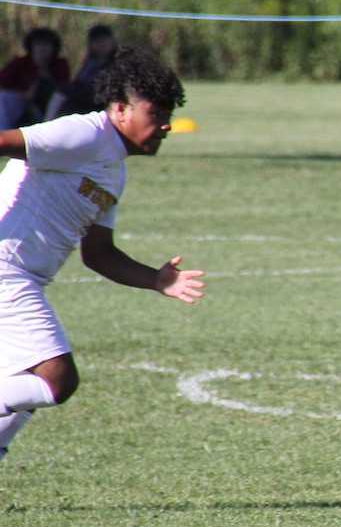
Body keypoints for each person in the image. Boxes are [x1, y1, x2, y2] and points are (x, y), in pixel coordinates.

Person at [0, 44, 205, 462]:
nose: (165, 126)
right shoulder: (85, 134)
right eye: (157, 115)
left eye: (168, 116)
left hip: (23, 276)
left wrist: (156, 279)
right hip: (6, 268)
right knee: (57, 379)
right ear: (120, 109)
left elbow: (98, 254)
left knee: (23, 381)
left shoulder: (115, 169)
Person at [0, 29, 72, 128]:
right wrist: (24, 93)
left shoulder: (60, 64)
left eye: (46, 44)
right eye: (38, 44)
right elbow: (3, 82)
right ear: (31, 46)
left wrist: (45, 73)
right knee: (3, 97)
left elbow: (64, 88)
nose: (42, 48)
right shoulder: (20, 62)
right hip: (21, 103)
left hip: (49, 106)